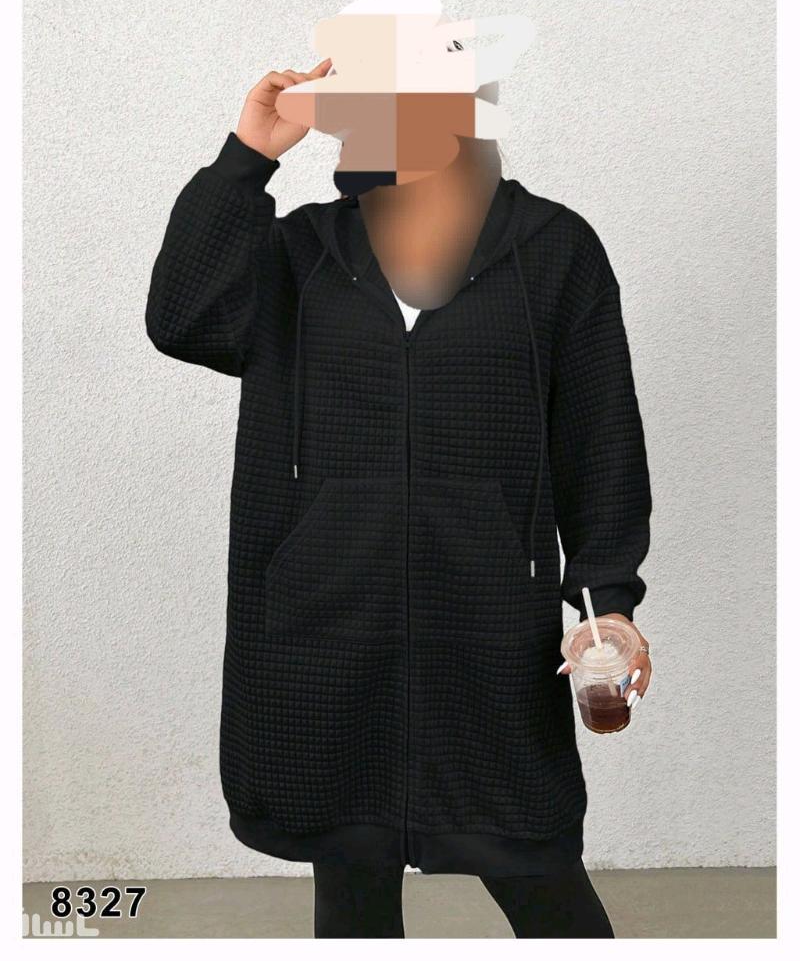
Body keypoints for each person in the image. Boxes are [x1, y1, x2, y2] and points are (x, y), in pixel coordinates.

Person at [146, 54, 653, 938]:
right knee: (352, 894)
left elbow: (599, 437)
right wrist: (247, 157)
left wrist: (607, 601)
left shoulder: (553, 249)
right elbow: (181, 319)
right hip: (325, 631)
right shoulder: (299, 251)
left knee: (545, 886)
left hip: (485, 627)